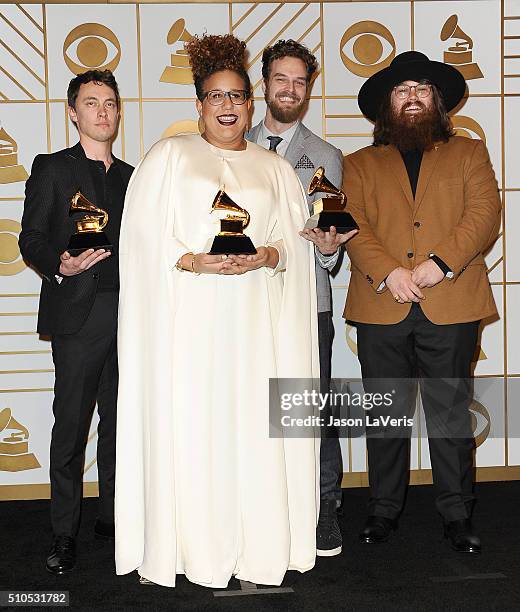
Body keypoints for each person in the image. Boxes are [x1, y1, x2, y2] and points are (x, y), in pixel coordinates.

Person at [115, 34, 320, 589]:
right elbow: (143, 240)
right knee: (196, 427)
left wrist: (267, 255)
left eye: (237, 96)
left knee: (254, 429)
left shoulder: (274, 169)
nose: (227, 106)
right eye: (215, 97)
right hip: (192, 326)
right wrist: (192, 260)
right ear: (199, 104)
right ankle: (191, 549)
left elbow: (292, 244)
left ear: (251, 104)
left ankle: (256, 548)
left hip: (256, 326)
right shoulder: (169, 157)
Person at [343, 51, 501, 553]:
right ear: (387, 105)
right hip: (381, 304)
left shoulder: (469, 153)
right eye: (402, 91)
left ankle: (457, 514)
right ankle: (382, 511)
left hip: (451, 301)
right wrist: (390, 272)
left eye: (422, 89)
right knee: (384, 416)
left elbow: (483, 214)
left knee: (450, 414)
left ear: (437, 100)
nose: (412, 97)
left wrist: (439, 264)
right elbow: (353, 226)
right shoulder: (358, 164)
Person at [19, 69, 134, 574]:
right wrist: (58, 264)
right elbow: (31, 238)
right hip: (77, 316)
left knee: (121, 427)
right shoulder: (52, 168)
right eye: (92, 103)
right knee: (70, 428)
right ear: (73, 112)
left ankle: (115, 521)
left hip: (132, 315)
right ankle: (64, 533)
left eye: (109, 102)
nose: (102, 111)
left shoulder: (135, 176)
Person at [247, 39, 357, 557]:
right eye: (281, 79)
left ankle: (323, 512)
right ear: (263, 82)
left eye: (300, 81)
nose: (289, 89)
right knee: (248, 408)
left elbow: (329, 241)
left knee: (312, 411)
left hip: (306, 305)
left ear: (308, 89)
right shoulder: (228, 144)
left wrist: (332, 251)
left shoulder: (327, 157)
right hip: (243, 304)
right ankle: (251, 509)